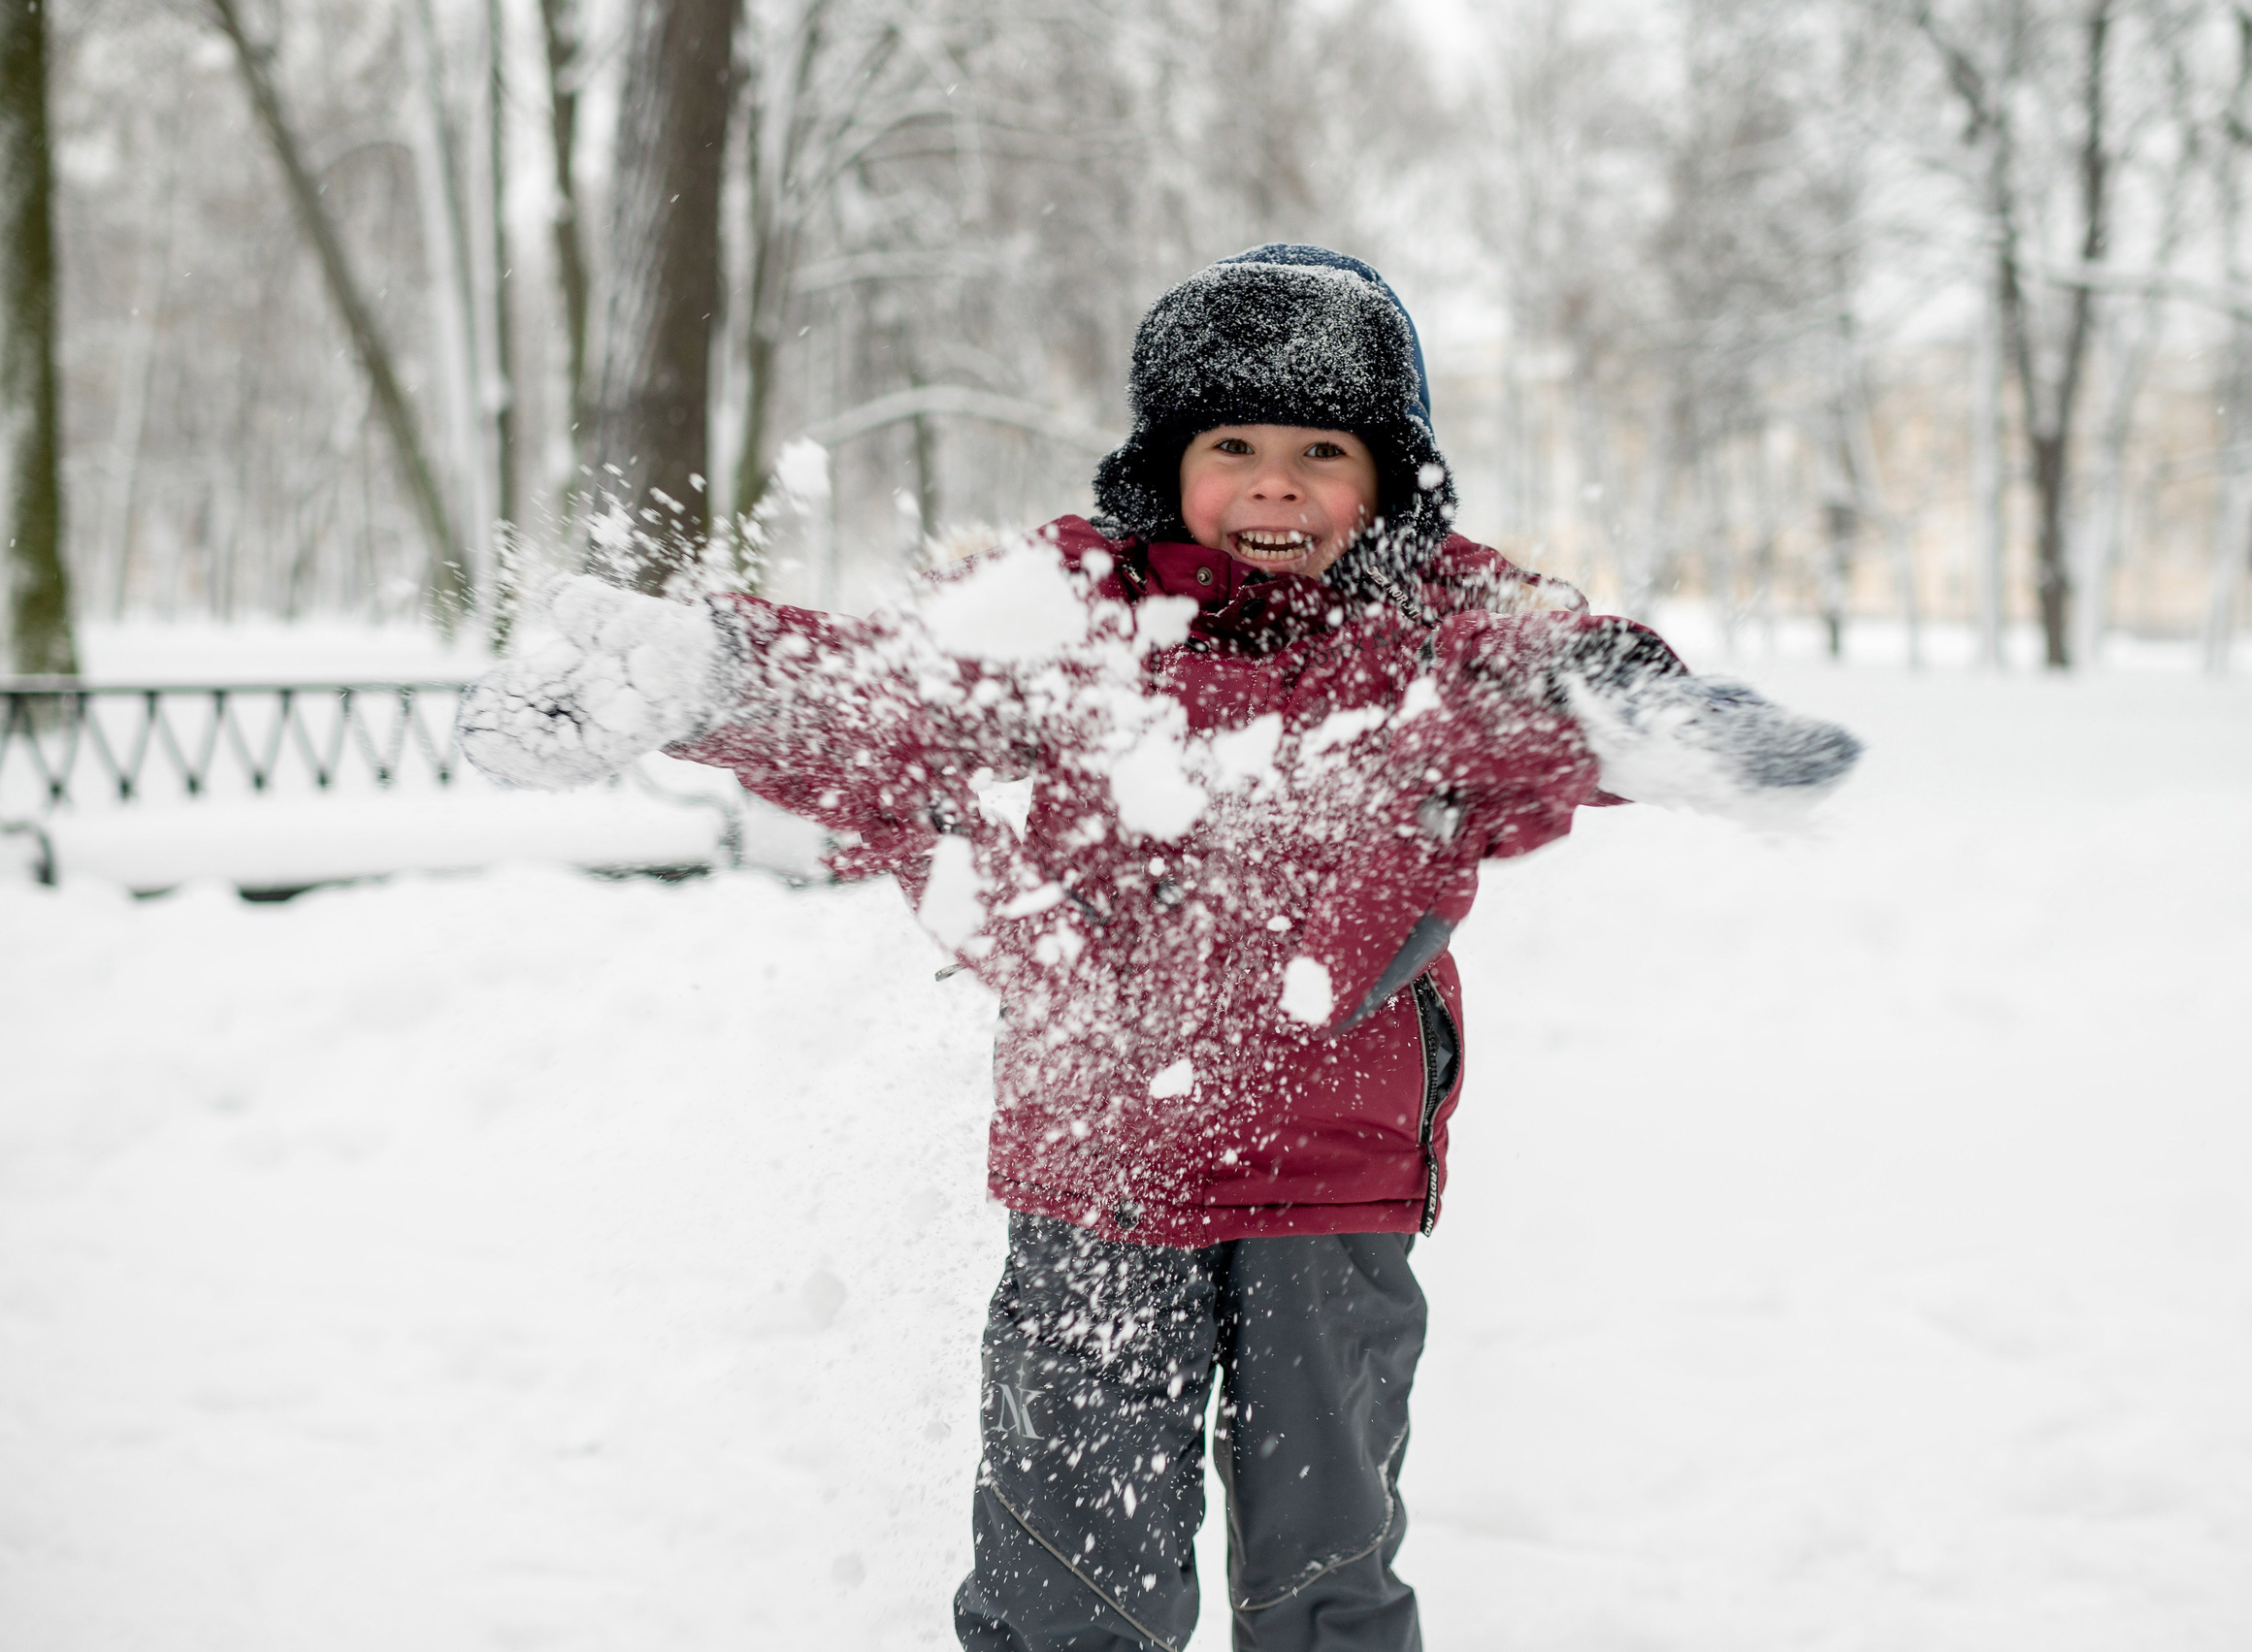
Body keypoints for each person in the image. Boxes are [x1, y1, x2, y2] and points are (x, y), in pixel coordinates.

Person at [459, 244, 1859, 1651]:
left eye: (1324, 448)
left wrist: (1647, 711)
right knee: (1069, 1559)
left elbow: (1551, 664)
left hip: (1332, 1180)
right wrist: (715, 674)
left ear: (1389, 478)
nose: (1275, 483)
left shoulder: (1431, 620)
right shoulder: (1062, 620)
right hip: (1098, 1170)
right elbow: (890, 701)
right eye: (1232, 443)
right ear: (1165, 461)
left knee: (1325, 1561)